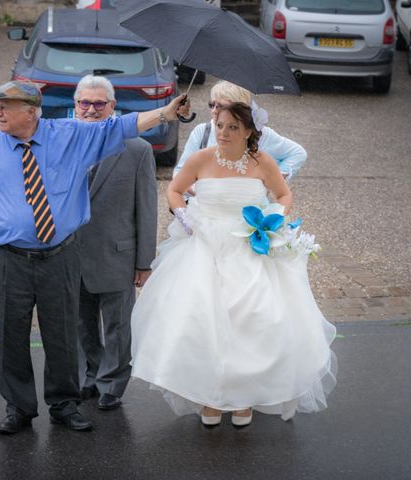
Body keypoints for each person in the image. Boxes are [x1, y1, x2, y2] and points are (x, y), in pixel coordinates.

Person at [0, 80, 188, 434]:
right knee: (11, 336)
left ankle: (64, 404)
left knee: (62, 334)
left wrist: (164, 112)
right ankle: (18, 407)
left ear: (31, 111)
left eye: (5, 107)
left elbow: (121, 126)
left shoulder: (68, 135)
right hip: (8, 258)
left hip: (59, 255)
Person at [130, 102, 337, 428]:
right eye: (220, 125)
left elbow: (283, 196)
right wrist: (183, 216)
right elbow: (174, 189)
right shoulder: (201, 159)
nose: (224, 133)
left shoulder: (262, 162)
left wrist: (272, 221)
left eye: (233, 128)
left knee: (250, 323)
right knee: (201, 323)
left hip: (247, 248)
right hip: (205, 249)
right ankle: (211, 398)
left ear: (250, 132)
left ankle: (243, 399)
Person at [73, 75, 157, 411]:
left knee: (119, 326)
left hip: (117, 254)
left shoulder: (137, 149)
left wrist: (144, 261)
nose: (91, 110)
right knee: (81, 322)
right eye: (84, 103)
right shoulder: (63, 142)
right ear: (75, 105)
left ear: (113, 107)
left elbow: (147, 207)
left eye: (99, 104)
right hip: (71, 253)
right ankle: (90, 374)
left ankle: (112, 383)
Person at [173, 80, 307, 182]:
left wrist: (272, 179)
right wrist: (200, 191)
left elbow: (297, 153)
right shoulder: (202, 132)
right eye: (212, 105)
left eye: (221, 106)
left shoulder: (262, 135)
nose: (214, 110)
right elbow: (180, 172)